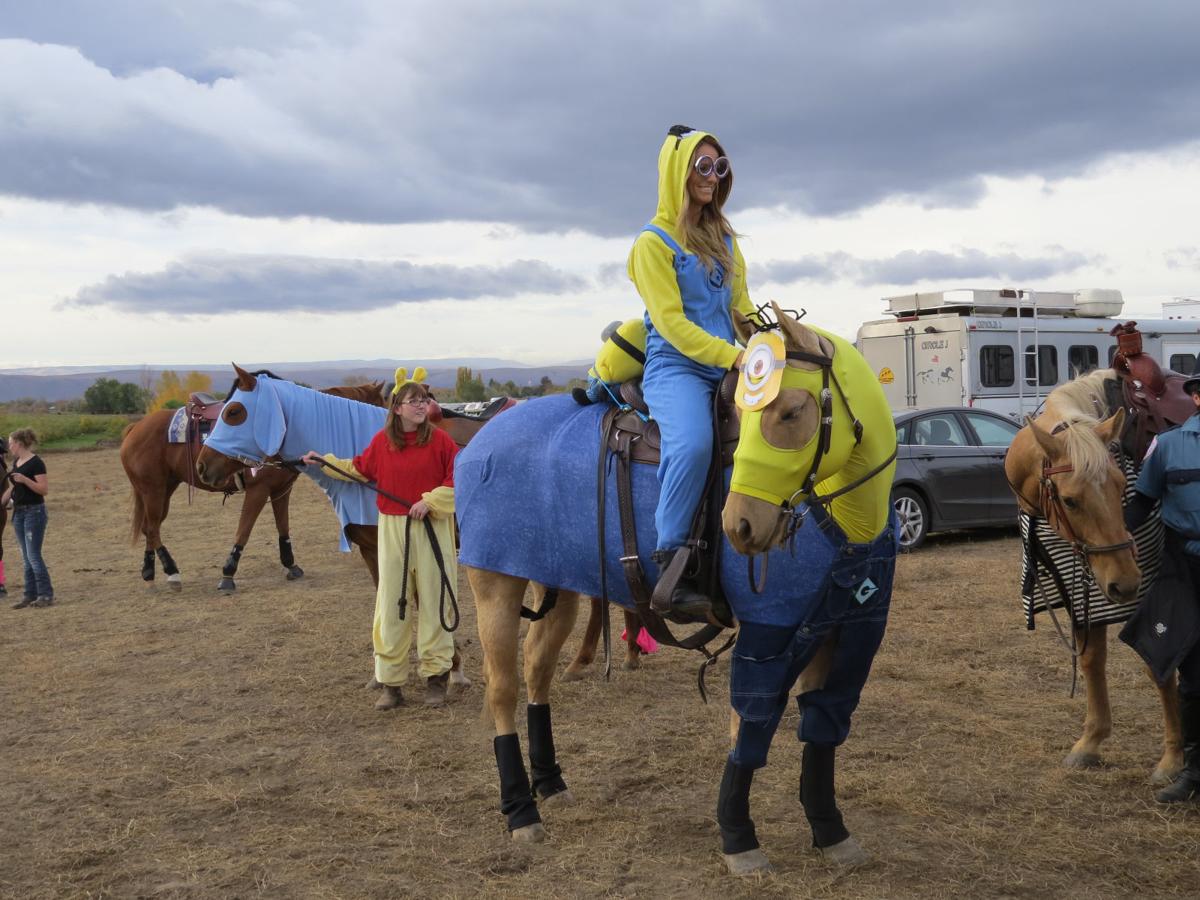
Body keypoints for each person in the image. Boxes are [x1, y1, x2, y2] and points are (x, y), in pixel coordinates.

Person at [628, 124, 756, 620]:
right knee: (695, 443)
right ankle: (673, 559)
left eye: (719, 167)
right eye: (703, 166)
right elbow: (673, 325)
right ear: (678, 173)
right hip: (676, 366)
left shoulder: (723, 235)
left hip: (729, 359)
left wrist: (769, 338)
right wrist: (734, 357)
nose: (712, 176)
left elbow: (740, 307)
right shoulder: (651, 243)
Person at [302, 368, 458, 709]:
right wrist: (321, 462)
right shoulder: (383, 444)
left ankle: (436, 678)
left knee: (434, 599)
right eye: (412, 400)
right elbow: (358, 468)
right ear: (397, 408)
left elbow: (456, 480)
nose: (421, 405)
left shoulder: (442, 442)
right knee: (392, 602)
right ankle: (391, 682)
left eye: (424, 400)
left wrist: (430, 501)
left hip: (432, 529)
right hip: (392, 528)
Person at [1122, 363, 1200, 805]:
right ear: (1196, 397)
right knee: (1192, 675)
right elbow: (1142, 502)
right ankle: (1194, 773)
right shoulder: (1167, 447)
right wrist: (1120, 536)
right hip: (1185, 567)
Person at [2, 429, 54, 608]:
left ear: (19, 443)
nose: (9, 446)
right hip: (19, 513)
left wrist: (25, 479)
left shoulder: (36, 463)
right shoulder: (17, 462)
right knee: (26, 557)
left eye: (11, 443)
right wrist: (3, 499)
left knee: (33, 556)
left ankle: (45, 595)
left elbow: (43, 490)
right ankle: (29, 595)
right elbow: (15, 486)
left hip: (34, 512)